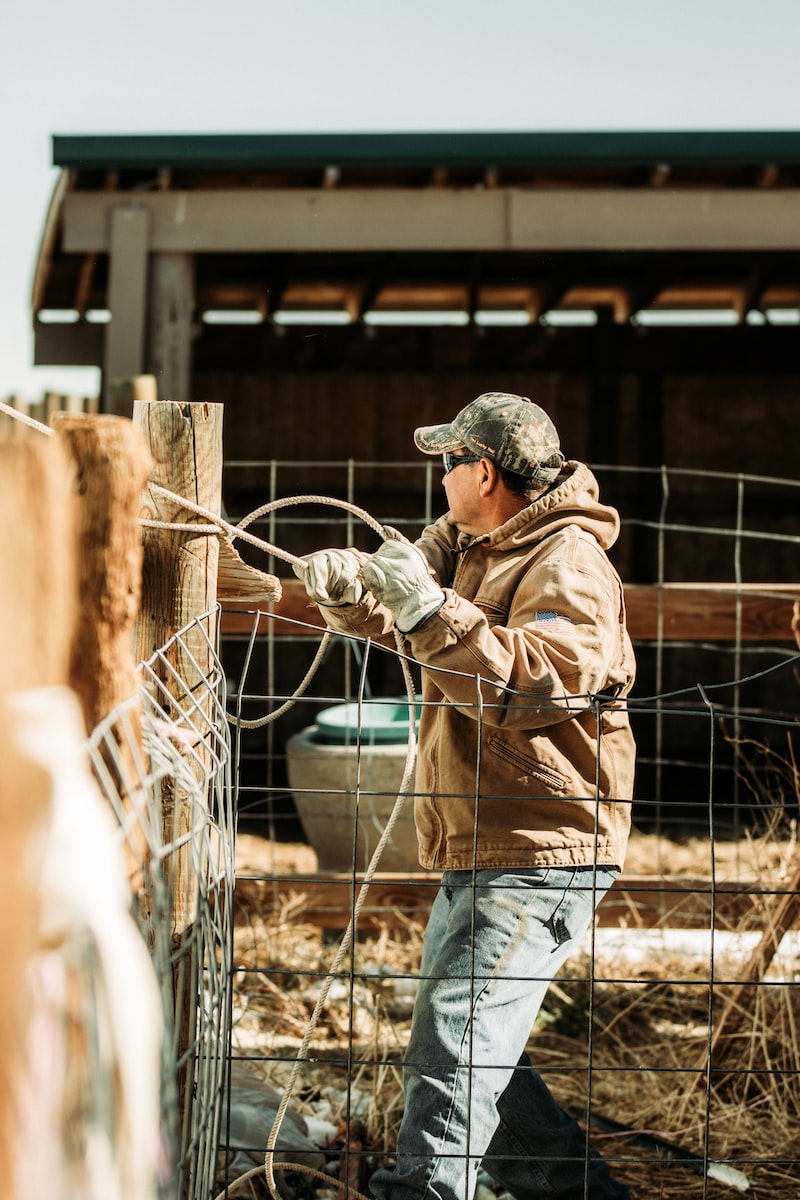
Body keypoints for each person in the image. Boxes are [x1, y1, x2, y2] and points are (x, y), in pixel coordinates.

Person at [294, 393, 636, 1200]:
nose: (438, 476)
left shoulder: (566, 560)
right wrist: (351, 593)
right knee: (484, 1047)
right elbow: (416, 610)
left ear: (482, 471)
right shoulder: (472, 543)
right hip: (493, 832)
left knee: (457, 1038)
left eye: (446, 461)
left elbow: (539, 681)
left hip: (541, 841)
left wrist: (424, 604)